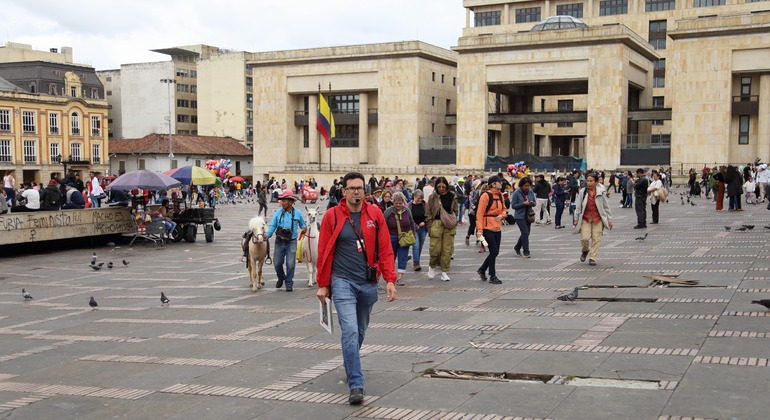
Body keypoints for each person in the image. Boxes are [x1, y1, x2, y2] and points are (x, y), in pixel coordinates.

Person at [315, 171, 396, 405]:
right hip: (342, 281)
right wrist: (323, 284)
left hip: (368, 282)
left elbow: (385, 249)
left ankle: (350, 361)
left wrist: (390, 279)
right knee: (349, 331)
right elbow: (323, 252)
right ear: (344, 191)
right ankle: (356, 384)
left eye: (360, 188)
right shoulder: (332, 216)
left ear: (365, 191)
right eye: (351, 188)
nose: (356, 192)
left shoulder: (376, 214)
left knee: (359, 331)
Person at [266, 190, 306, 292]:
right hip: (279, 241)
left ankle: (289, 283)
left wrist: (305, 228)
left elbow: (302, 225)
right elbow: (273, 225)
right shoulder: (278, 213)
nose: (282, 203)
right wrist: (267, 235)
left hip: (291, 241)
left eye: (284, 201)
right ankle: (281, 277)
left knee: (291, 263)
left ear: (290, 202)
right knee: (277, 263)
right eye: (282, 201)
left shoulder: (298, 213)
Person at [573, 173, 613, 266]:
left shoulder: (600, 192)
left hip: (597, 218)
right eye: (588, 181)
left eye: (591, 181)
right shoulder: (583, 192)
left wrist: (609, 220)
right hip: (586, 218)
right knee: (585, 238)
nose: (589, 183)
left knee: (596, 238)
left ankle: (593, 257)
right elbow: (578, 206)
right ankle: (585, 250)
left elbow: (606, 207)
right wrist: (576, 218)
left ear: (596, 182)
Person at [426, 177, 458, 281]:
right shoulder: (432, 197)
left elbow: (455, 210)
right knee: (435, 249)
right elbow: (428, 212)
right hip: (436, 223)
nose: (441, 189)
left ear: (447, 186)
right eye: (439, 187)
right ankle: (432, 266)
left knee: (447, 250)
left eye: (443, 187)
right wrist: (430, 225)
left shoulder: (452, 196)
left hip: (448, 225)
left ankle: (444, 272)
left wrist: (453, 221)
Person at [476, 176, 506, 284]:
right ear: (493, 184)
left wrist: (502, 216)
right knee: (493, 251)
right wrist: (479, 230)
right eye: (499, 182)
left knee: (495, 252)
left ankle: (482, 269)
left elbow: (504, 209)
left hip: (497, 227)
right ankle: (492, 275)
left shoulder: (500, 195)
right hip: (487, 227)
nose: (501, 184)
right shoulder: (485, 196)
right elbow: (479, 214)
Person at [384, 192, 415, 286]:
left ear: (403, 202)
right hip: (391, 237)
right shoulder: (388, 211)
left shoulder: (407, 210)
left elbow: (411, 223)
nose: (398, 205)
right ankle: (391, 276)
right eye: (396, 203)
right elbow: (382, 225)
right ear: (393, 202)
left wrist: (413, 233)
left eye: (400, 203)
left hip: (404, 237)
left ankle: (400, 278)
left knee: (403, 257)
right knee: (390, 258)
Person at [511, 177, 536, 257]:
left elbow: (535, 202)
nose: (527, 187)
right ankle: (526, 251)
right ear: (521, 186)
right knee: (524, 232)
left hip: (528, 215)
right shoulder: (516, 193)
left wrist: (532, 203)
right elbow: (513, 205)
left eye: (528, 186)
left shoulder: (530, 192)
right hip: (520, 216)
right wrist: (523, 204)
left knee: (526, 233)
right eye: (525, 186)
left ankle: (517, 247)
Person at [407, 189, 428, 272]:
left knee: (420, 246)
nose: (420, 200)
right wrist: (415, 225)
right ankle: (416, 263)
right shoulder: (409, 205)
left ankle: (417, 260)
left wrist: (424, 222)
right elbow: (408, 217)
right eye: (418, 198)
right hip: (413, 228)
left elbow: (428, 215)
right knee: (416, 246)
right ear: (414, 197)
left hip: (423, 228)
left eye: (421, 198)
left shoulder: (424, 204)